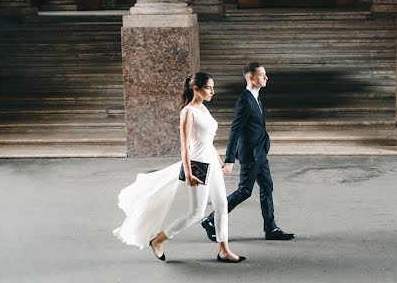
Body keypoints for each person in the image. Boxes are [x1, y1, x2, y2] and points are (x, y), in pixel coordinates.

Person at [113, 72, 245, 263]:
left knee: (222, 205)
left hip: (212, 164)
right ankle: (158, 240)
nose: (212, 92)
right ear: (195, 89)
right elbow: (185, 146)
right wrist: (189, 173)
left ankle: (223, 249)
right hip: (198, 165)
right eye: (209, 88)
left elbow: (208, 142)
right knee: (196, 213)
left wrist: (220, 162)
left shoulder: (204, 109)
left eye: (212, 88)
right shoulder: (188, 111)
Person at [200, 62, 295, 242]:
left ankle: (271, 228)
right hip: (250, 154)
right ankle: (210, 220)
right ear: (251, 77)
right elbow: (235, 130)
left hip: (260, 152)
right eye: (262, 75)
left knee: (267, 187)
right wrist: (229, 160)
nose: (266, 77)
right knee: (244, 191)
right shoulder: (244, 100)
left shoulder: (256, 96)